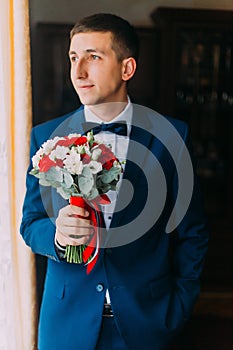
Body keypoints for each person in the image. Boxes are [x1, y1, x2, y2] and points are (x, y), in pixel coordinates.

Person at [20, 13, 209, 350]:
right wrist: (59, 238)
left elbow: (191, 232)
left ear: (127, 69)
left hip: (148, 323)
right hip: (66, 325)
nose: (78, 71)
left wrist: (179, 306)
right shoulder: (46, 136)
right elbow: (31, 224)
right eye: (74, 57)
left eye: (93, 56)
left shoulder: (172, 137)